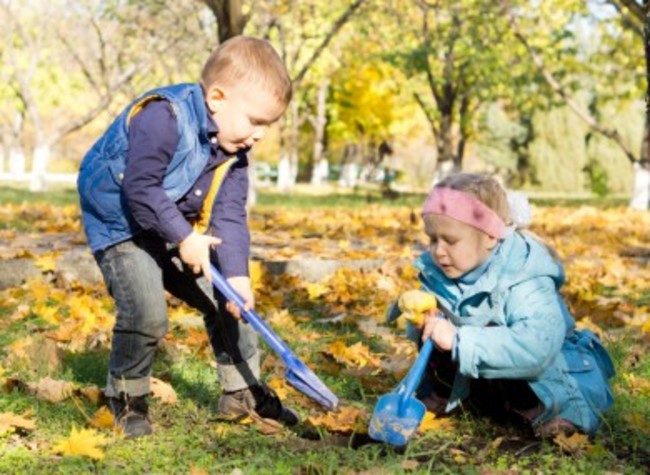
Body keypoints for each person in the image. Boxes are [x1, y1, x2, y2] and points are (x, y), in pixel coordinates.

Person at [77, 36, 299, 438]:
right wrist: (184, 236)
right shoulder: (164, 117)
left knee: (231, 303)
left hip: (172, 228)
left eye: (268, 125)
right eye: (256, 121)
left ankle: (242, 393)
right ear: (217, 97)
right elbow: (140, 189)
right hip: (121, 224)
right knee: (146, 311)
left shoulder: (234, 153)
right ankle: (126, 400)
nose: (261, 134)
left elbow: (230, 216)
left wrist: (237, 277)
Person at [387, 173, 615, 437]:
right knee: (439, 328)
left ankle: (547, 411)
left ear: (490, 237)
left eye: (450, 240)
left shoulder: (523, 276)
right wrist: (425, 322)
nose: (438, 251)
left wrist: (459, 339)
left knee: (483, 331)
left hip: (546, 377)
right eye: (433, 239)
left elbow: (536, 348)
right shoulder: (439, 270)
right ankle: (442, 394)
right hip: (483, 374)